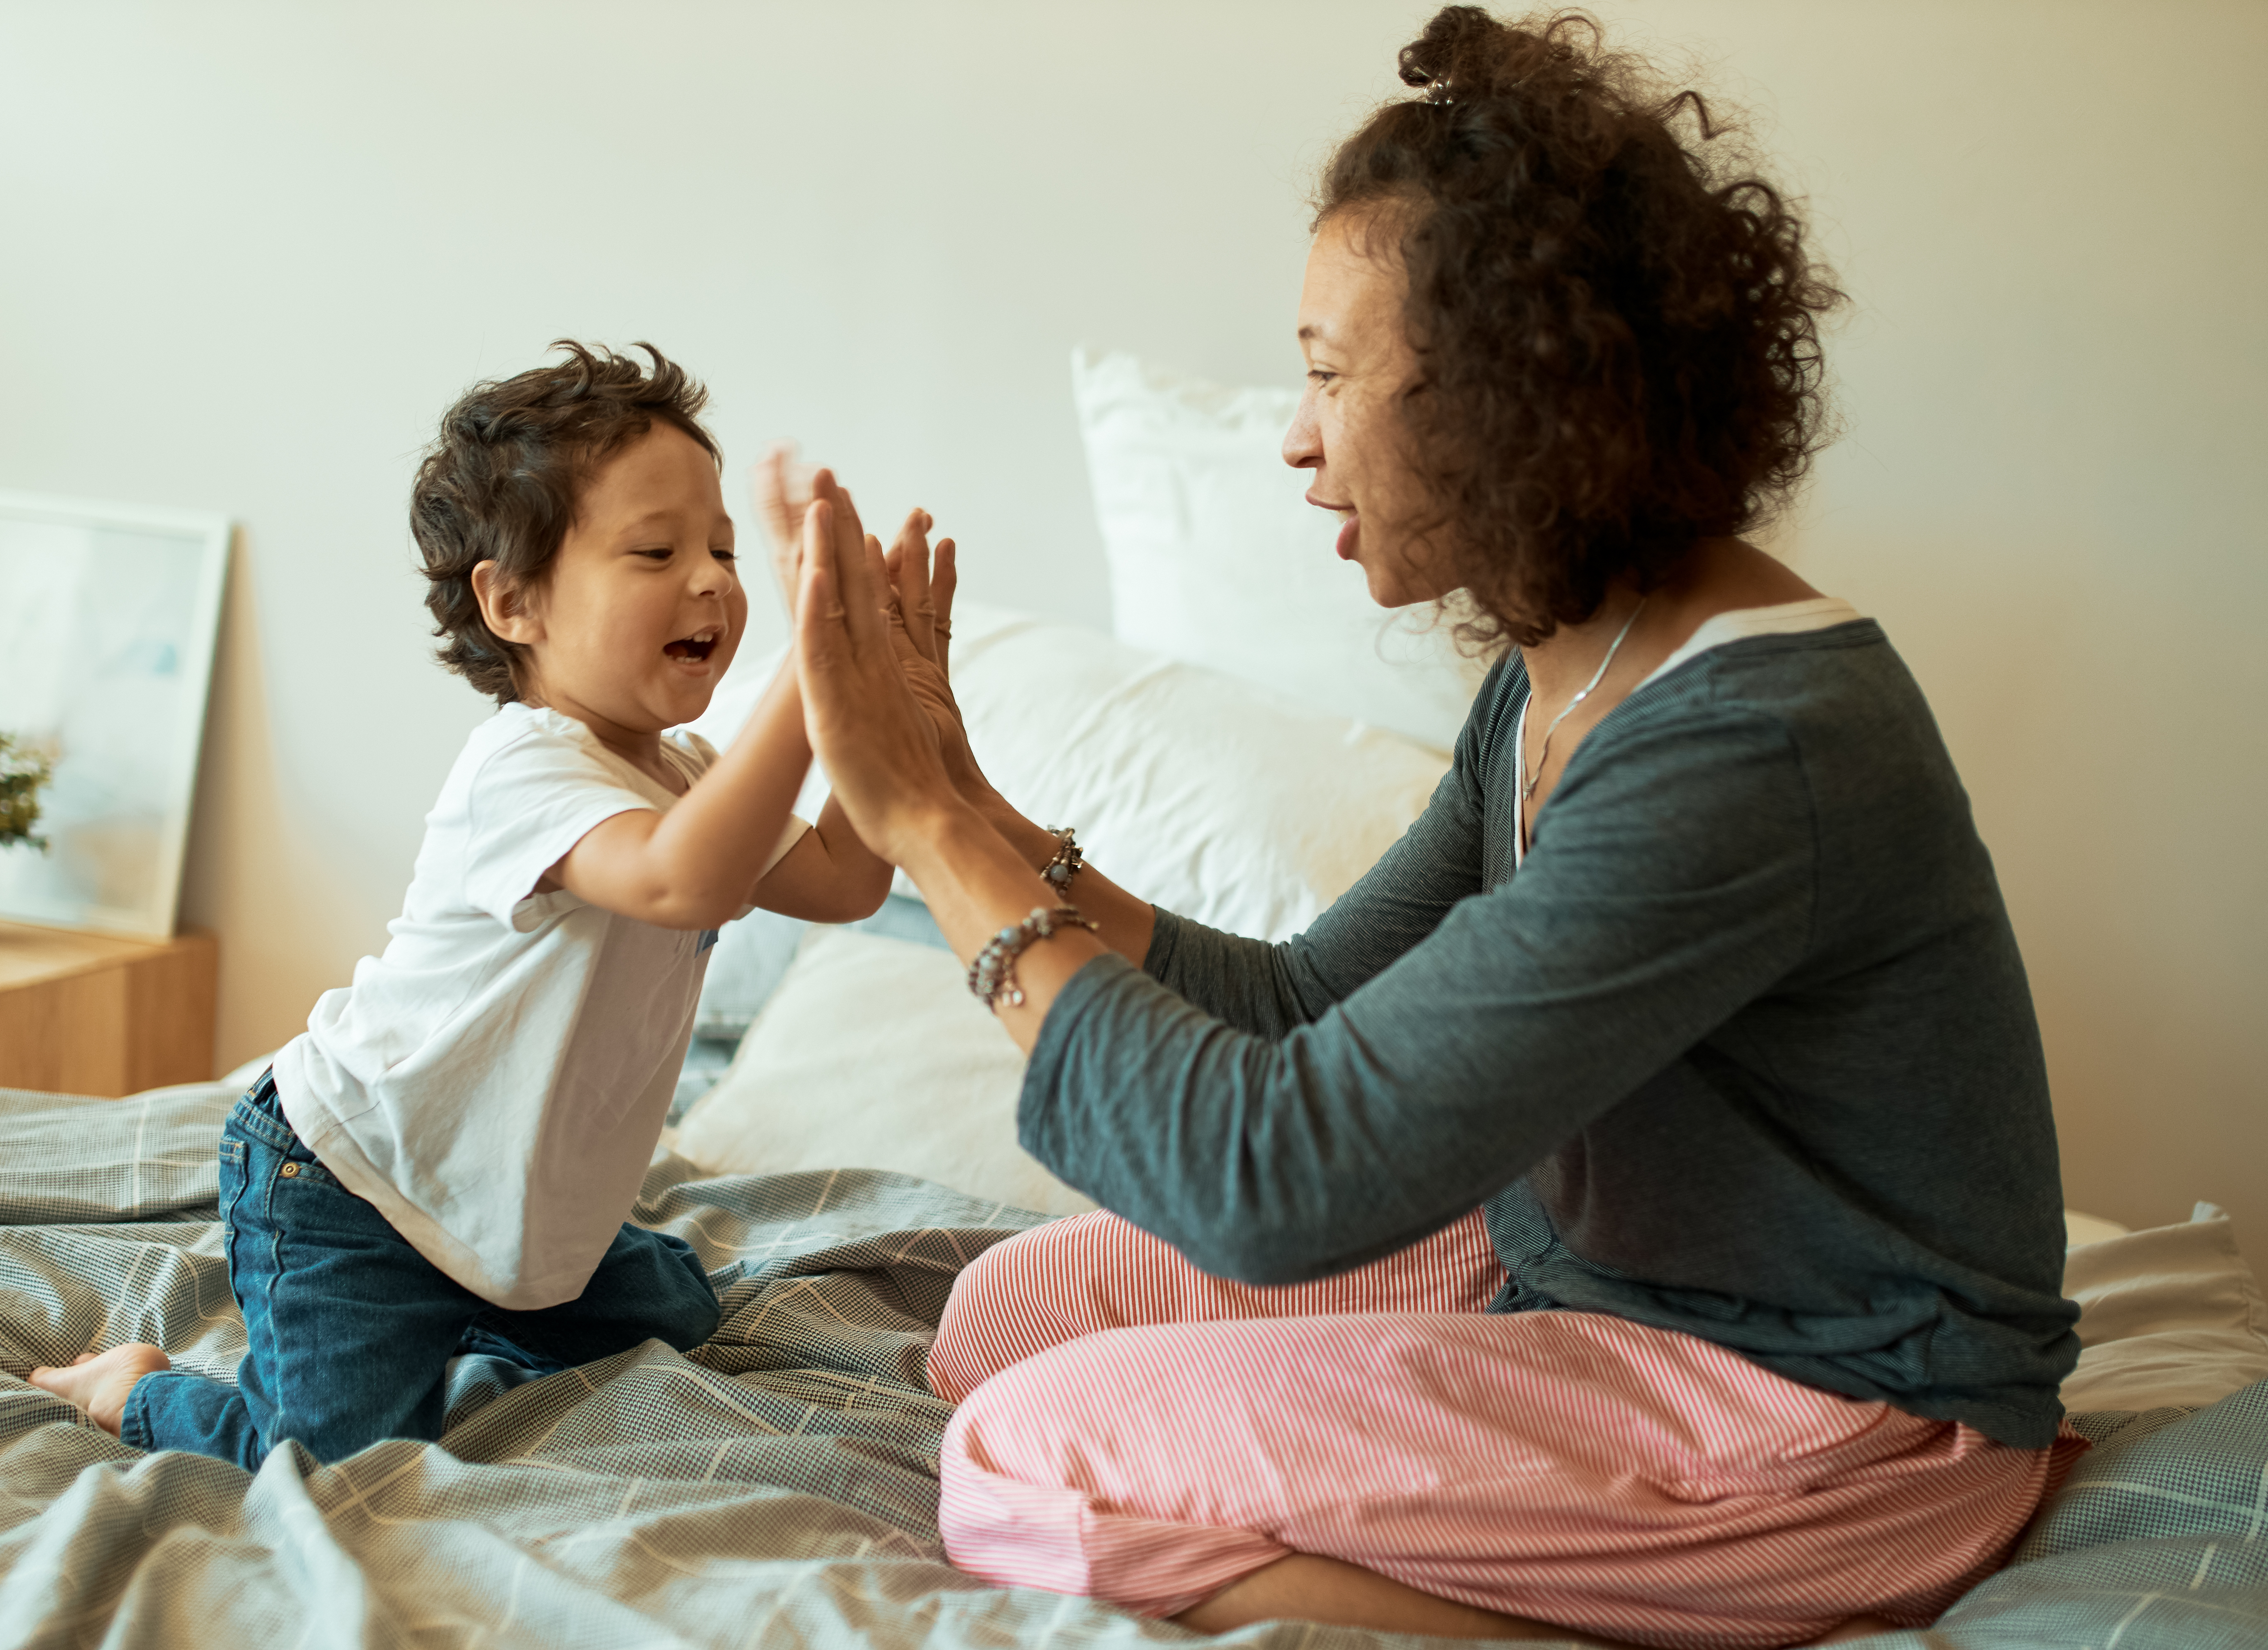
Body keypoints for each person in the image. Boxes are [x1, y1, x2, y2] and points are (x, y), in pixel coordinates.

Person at [768, 9, 2084, 1647]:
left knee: (1021, 1463)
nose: (1294, 436)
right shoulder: (1562, 665)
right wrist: (962, 806)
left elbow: (1268, 1180)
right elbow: (1305, 1008)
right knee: (1009, 1315)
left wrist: (915, 824)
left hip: (1828, 1414)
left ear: (1510, 390)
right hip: (1583, 1287)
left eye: (1326, 373)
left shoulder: (1750, 746)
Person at [30, 342, 893, 1467]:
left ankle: (483, 1305)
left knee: (677, 1311)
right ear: (514, 599)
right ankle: (135, 1389)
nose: (714, 580)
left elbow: (848, 875)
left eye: (724, 548)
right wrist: (808, 664)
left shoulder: (686, 773)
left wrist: (890, 700)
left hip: (511, 1222)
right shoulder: (521, 770)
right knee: (334, 1457)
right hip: (349, 1182)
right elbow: (685, 877)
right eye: (656, 550)